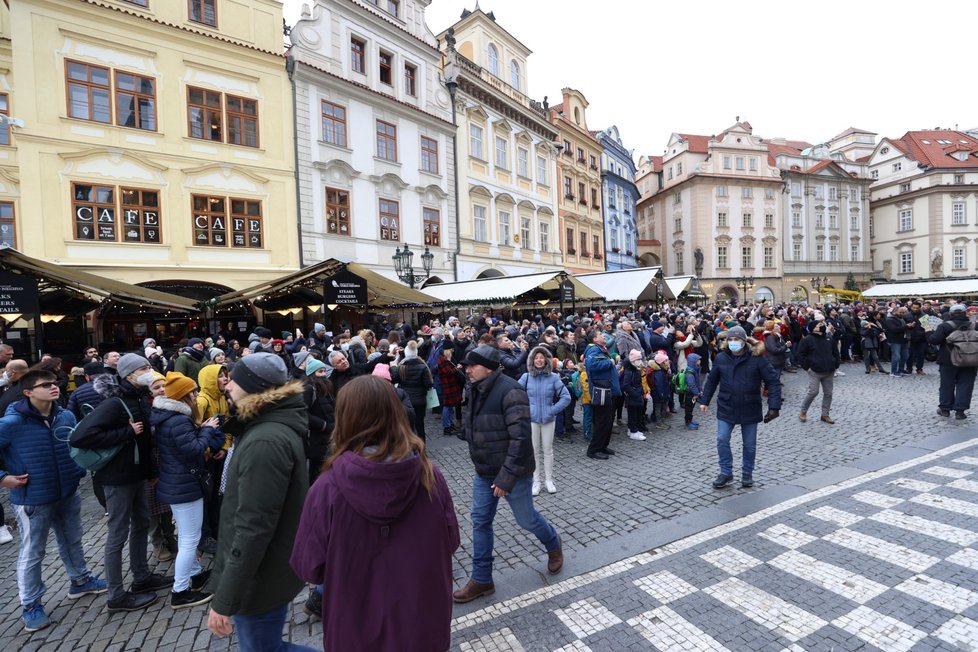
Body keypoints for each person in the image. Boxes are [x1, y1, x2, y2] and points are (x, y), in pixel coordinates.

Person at [290, 375, 459, 651]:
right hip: (422, 623)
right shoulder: (430, 476)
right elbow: (451, 541)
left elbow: (308, 565)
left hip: (356, 627)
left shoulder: (326, 489)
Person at [204, 353, 313, 651]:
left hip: (261, 577)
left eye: (233, 380)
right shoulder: (264, 427)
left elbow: (253, 527)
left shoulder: (265, 440)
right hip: (263, 570)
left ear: (252, 387)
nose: (226, 385)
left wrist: (225, 599)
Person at [452, 344, 563, 603]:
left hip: (514, 473)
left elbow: (521, 438)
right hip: (484, 471)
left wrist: (505, 477)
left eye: (472, 365)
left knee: (526, 520)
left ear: (488, 368)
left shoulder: (511, 390)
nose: (467, 370)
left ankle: (553, 543)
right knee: (480, 521)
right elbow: (473, 422)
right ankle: (481, 579)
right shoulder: (474, 387)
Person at [0, 368, 108, 631]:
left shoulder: (65, 414)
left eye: (54, 382)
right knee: (33, 551)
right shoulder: (12, 422)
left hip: (67, 490)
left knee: (72, 538)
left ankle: (80, 580)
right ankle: (31, 604)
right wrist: (3, 478)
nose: (53, 387)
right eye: (45, 384)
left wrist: (77, 468)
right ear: (28, 392)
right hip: (33, 497)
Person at [70, 353, 172, 612]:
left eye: (149, 367)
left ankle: (142, 577)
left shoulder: (138, 397)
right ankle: (116, 596)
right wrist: (126, 432)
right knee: (118, 533)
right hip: (117, 477)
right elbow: (81, 436)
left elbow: (145, 440)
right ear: (129, 374)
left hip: (136, 474)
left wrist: (150, 470)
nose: (149, 371)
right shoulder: (115, 403)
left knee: (141, 523)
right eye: (144, 368)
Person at [151, 372, 224, 609]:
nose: (196, 395)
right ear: (184, 396)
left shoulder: (168, 417)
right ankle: (180, 591)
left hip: (176, 482)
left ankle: (194, 574)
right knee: (190, 539)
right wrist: (207, 430)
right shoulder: (178, 420)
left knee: (185, 535)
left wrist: (200, 428)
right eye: (192, 392)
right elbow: (193, 449)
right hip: (184, 485)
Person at [698, 326, 781, 489]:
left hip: (750, 406)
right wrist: (705, 400)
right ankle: (725, 472)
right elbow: (712, 380)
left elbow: (773, 381)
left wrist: (774, 407)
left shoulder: (757, 358)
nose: (733, 342)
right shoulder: (721, 358)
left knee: (749, 444)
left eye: (737, 340)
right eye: (730, 339)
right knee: (722, 439)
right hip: (726, 405)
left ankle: (747, 472)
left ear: (744, 341)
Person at [519, 346, 571, 496]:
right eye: (536, 358)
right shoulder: (526, 377)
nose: (539, 360)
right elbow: (515, 394)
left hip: (548, 419)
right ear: (532, 360)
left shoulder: (553, 377)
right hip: (532, 420)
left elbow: (566, 397)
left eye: (541, 357)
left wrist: (552, 410)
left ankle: (549, 480)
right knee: (533, 451)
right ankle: (536, 481)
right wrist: (526, 411)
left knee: (548, 450)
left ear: (546, 359)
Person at [929, 303, 978, 420]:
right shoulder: (974, 326)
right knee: (966, 385)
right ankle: (960, 411)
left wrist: (929, 332)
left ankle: (945, 409)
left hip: (948, 359)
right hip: (970, 360)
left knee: (947, 385)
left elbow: (934, 340)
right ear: (965, 313)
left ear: (950, 314)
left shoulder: (944, 326)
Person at [583, 330, 621, 461]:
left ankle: (603, 445)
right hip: (601, 390)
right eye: (600, 335)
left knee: (608, 420)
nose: (603, 336)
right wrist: (610, 362)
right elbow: (591, 365)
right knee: (601, 421)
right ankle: (593, 449)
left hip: (607, 389)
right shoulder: (593, 350)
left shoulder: (601, 349)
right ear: (595, 339)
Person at [796, 319, 840, 424]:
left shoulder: (829, 338)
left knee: (828, 393)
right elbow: (800, 355)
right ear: (813, 328)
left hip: (829, 370)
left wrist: (836, 364)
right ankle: (803, 411)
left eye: (821, 324)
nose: (820, 325)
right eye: (818, 324)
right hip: (815, 371)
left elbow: (835, 352)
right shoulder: (807, 340)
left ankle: (825, 414)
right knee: (813, 392)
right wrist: (807, 368)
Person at [395, 340, 433, 441]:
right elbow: (428, 383)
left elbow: (395, 379)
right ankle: (422, 448)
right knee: (420, 424)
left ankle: (411, 447)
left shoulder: (401, 367)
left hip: (406, 400)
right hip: (420, 399)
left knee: (407, 425)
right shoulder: (423, 366)